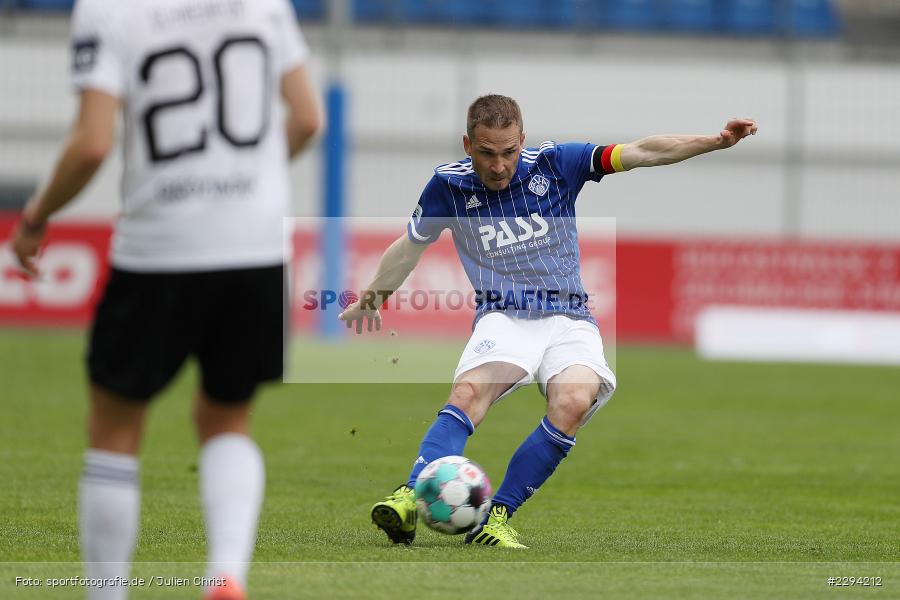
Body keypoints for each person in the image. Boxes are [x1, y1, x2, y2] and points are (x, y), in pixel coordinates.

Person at [339, 94, 756, 548]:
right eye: (486, 153)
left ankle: (496, 518)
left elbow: (642, 151)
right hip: (504, 316)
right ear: (467, 144)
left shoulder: (558, 164)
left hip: (569, 318)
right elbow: (408, 247)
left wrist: (713, 142)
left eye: (508, 152)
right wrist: (372, 297)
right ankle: (409, 495)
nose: (499, 165)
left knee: (574, 401)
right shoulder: (448, 187)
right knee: (469, 393)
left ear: (522, 140)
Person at [10, 0, 321, 597]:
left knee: (115, 426)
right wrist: (246, 176)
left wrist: (35, 216)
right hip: (255, 247)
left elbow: (92, 145)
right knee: (227, 417)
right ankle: (226, 573)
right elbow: (307, 118)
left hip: (159, 247)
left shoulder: (107, 9)